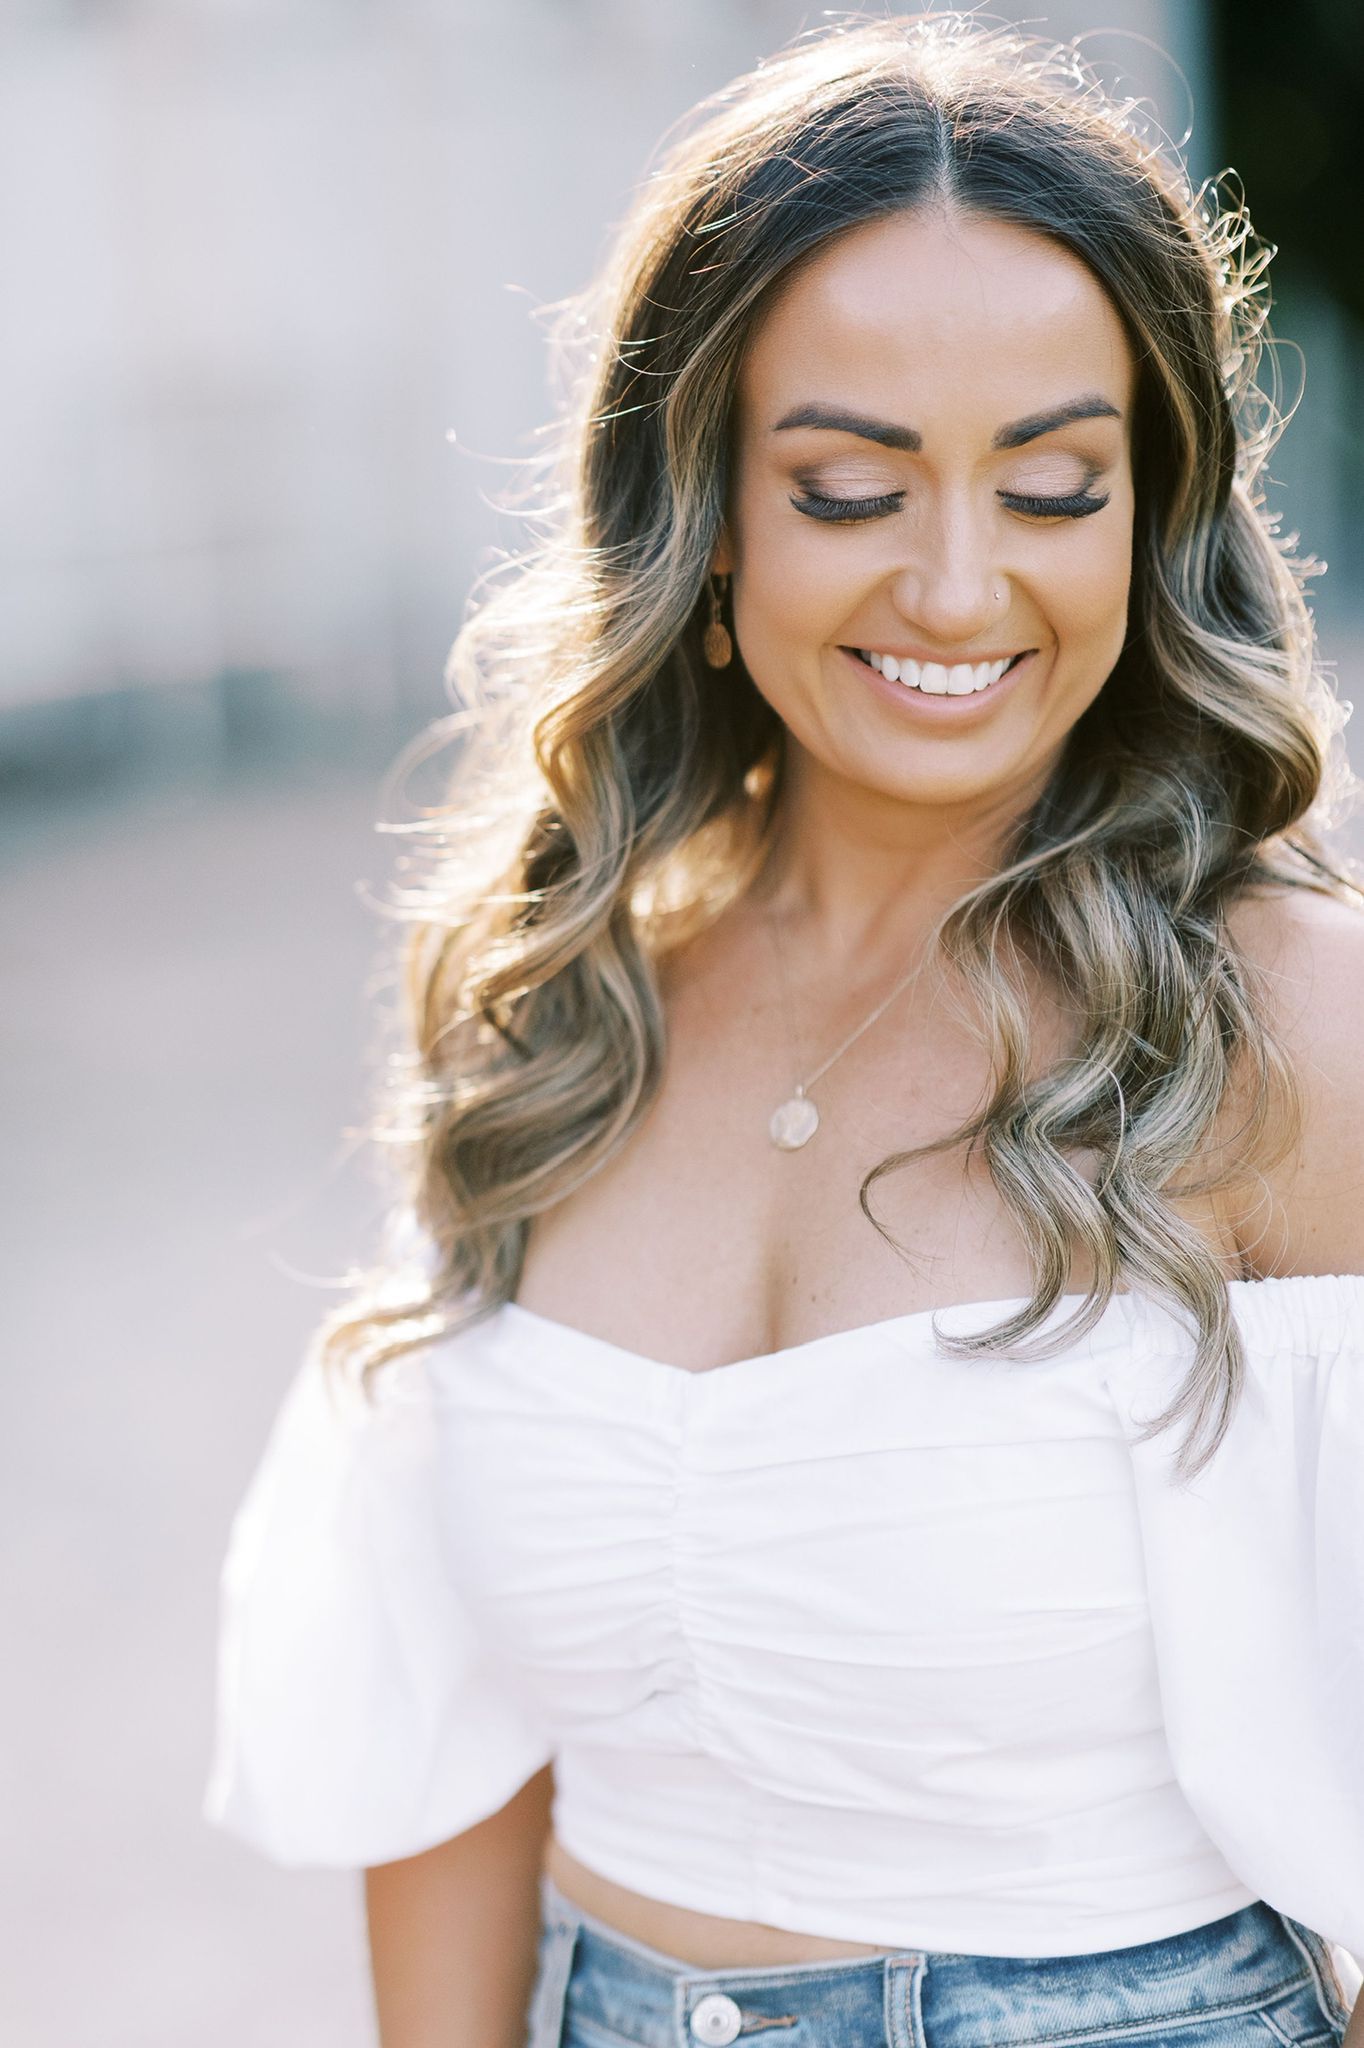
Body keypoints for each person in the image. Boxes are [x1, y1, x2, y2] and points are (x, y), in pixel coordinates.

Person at [204, 15, 1364, 2048]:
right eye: (850, 486)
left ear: (1148, 512)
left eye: (1053, 486)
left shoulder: (1280, 1022)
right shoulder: (565, 997)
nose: (957, 586)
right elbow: (441, 1742)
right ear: (711, 515)